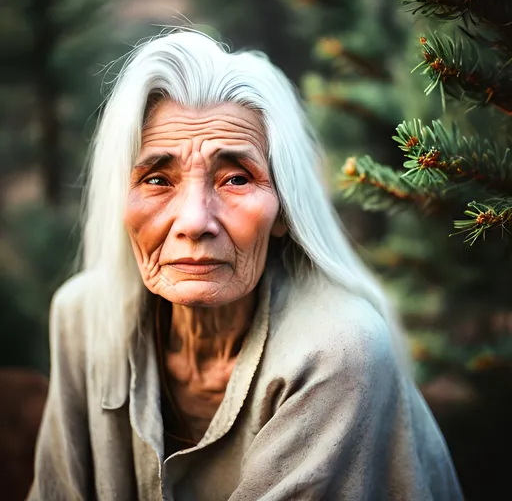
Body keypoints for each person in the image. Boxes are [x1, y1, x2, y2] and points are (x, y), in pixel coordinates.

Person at [28, 29, 463, 500]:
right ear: (122, 203)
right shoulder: (81, 318)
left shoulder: (337, 349)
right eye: (157, 179)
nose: (195, 221)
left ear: (283, 211)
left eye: (236, 178)